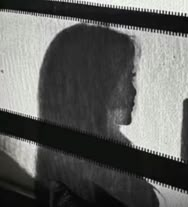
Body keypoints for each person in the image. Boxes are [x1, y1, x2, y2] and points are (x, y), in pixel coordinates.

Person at [36, 24, 159, 207]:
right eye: (122, 76)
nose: (133, 91)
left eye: (131, 75)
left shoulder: (115, 154)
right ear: (93, 88)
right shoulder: (80, 184)